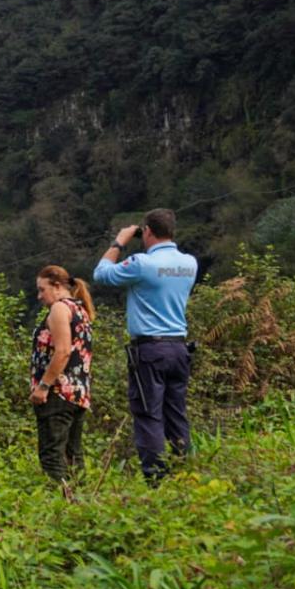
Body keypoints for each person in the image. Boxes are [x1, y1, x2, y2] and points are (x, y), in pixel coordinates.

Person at [93, 208, 198, 485]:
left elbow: (101, 274)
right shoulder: (189, 263)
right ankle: (184, 474)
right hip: (179, 349)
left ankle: (156, 480)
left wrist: (119, 241)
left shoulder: (141, 263)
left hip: (150, 350)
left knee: (148, 415)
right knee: (176, 414)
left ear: (147, 231)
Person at [29, 265, 96, 486]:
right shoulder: (80, 310)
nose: (39, 296)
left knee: (52, 456)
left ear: (57, 286)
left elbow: (63, 351)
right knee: (73, 454)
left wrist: (44, 386)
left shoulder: (59, 309)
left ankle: (59, 506)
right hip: (78, 393)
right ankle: (81, 502)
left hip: (58, 393)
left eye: (42, 289)